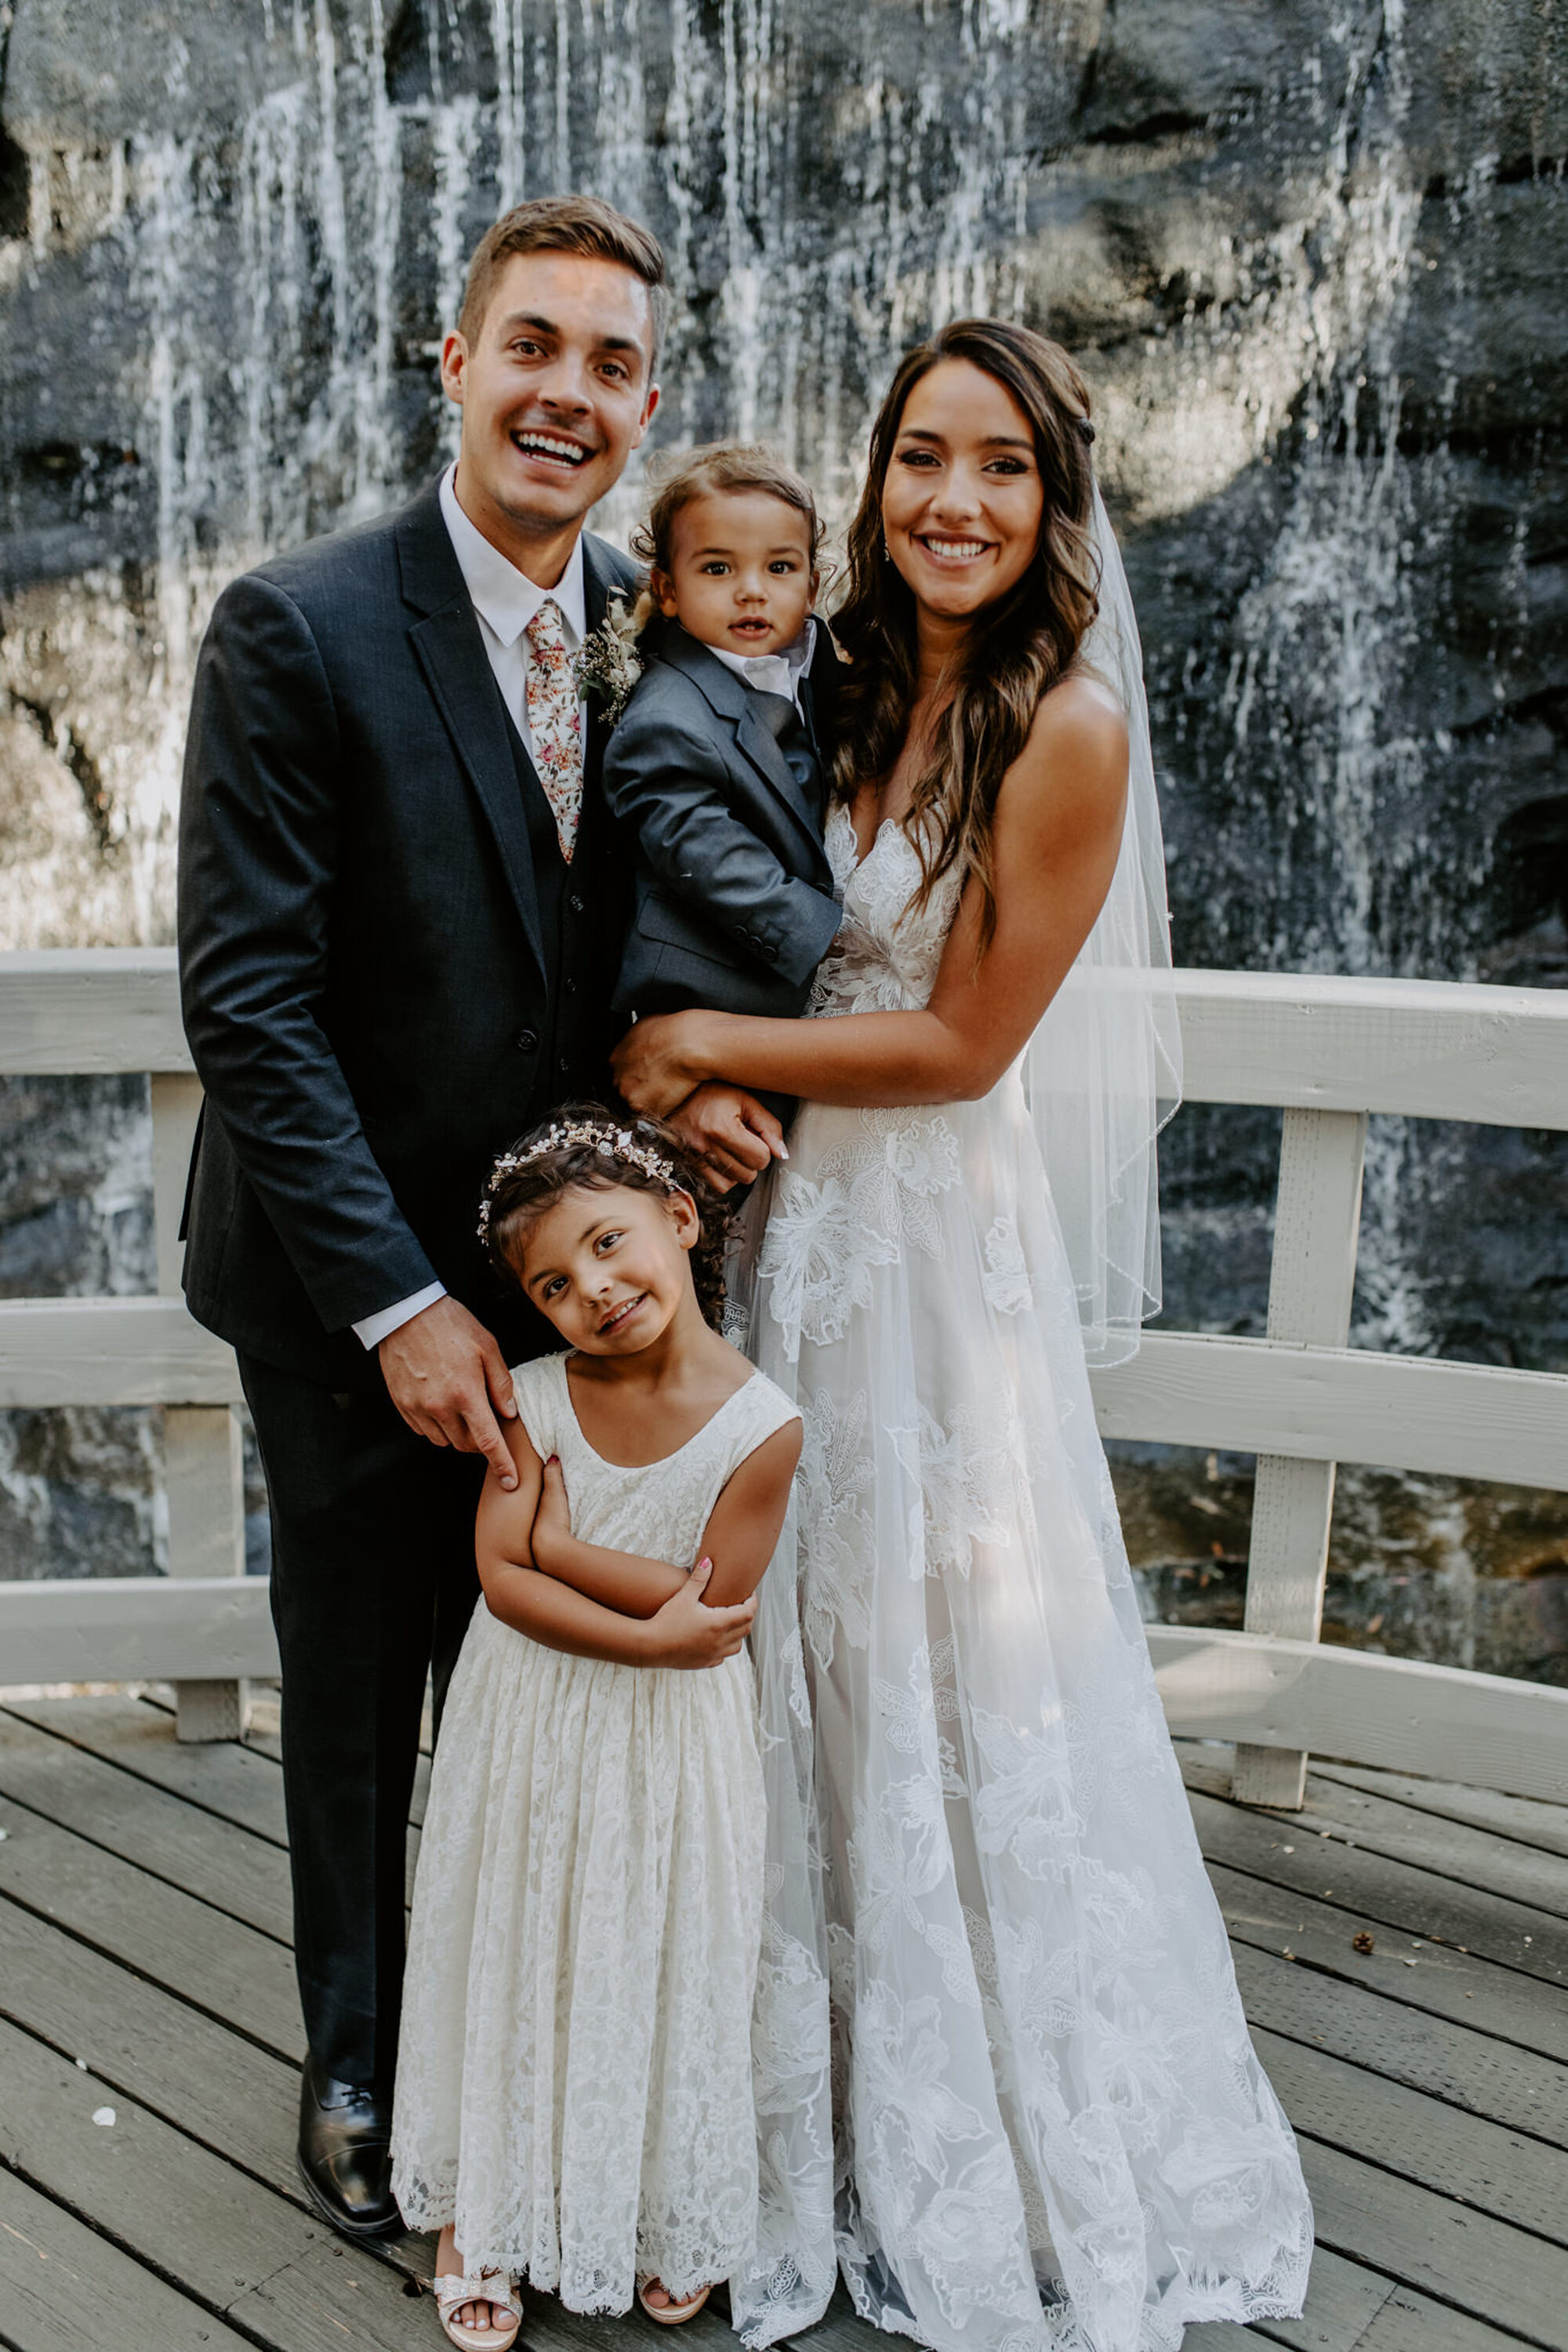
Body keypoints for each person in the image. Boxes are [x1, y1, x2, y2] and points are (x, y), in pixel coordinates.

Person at [614, 319, 1314, 2352]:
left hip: (928, 1249)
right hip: (782, 1226)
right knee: (790, 1644)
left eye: (1001, 465)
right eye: (923, 456)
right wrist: (680, 1078)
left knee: (940, 1651)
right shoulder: (821, 666)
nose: (953, 499)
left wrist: (696, 1043)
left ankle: (972, 2135)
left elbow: (960, 1040)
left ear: (1054, 497)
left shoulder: (1064, 724)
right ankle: (758, 2118)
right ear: (875, 477)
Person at [176, 194, 782, 2245]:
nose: (567, 394)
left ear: (645, 404)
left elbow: (642, 917)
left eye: (612, 364)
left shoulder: (656, 617)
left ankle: (521, 2048)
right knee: (358, 1690)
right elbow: (249, 1004)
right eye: (534, 346)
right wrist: (393, 1306)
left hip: (584, 1293)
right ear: (454, 362)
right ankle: (356, 2058)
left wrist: (682, 1070)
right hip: (350, 1290)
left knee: (552, 1689)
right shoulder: (298, 624)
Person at [390, 1106, 801, 2348]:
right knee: (520, 1939)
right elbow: (501, 1580)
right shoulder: (530, 1401)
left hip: (671, 1744)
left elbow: (710, 1605)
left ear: (681, 1218)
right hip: (530, 1721)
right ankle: (484, 2214)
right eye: (555, 1286)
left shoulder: (763, 1427)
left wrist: (567, 1550)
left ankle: (658, 2204)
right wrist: (629, 1623)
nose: (596, 1291)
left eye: (611, 1245)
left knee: (657, 1947)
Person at [604, 444, 843, 1129]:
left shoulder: (816, 668)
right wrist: (836, 941)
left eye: (779, 568)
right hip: (718, 998)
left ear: (812, 586)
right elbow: (704, 853)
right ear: (667, 589)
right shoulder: (666, 718)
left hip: (777, 1012)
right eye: (718, 568)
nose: (752, 590)